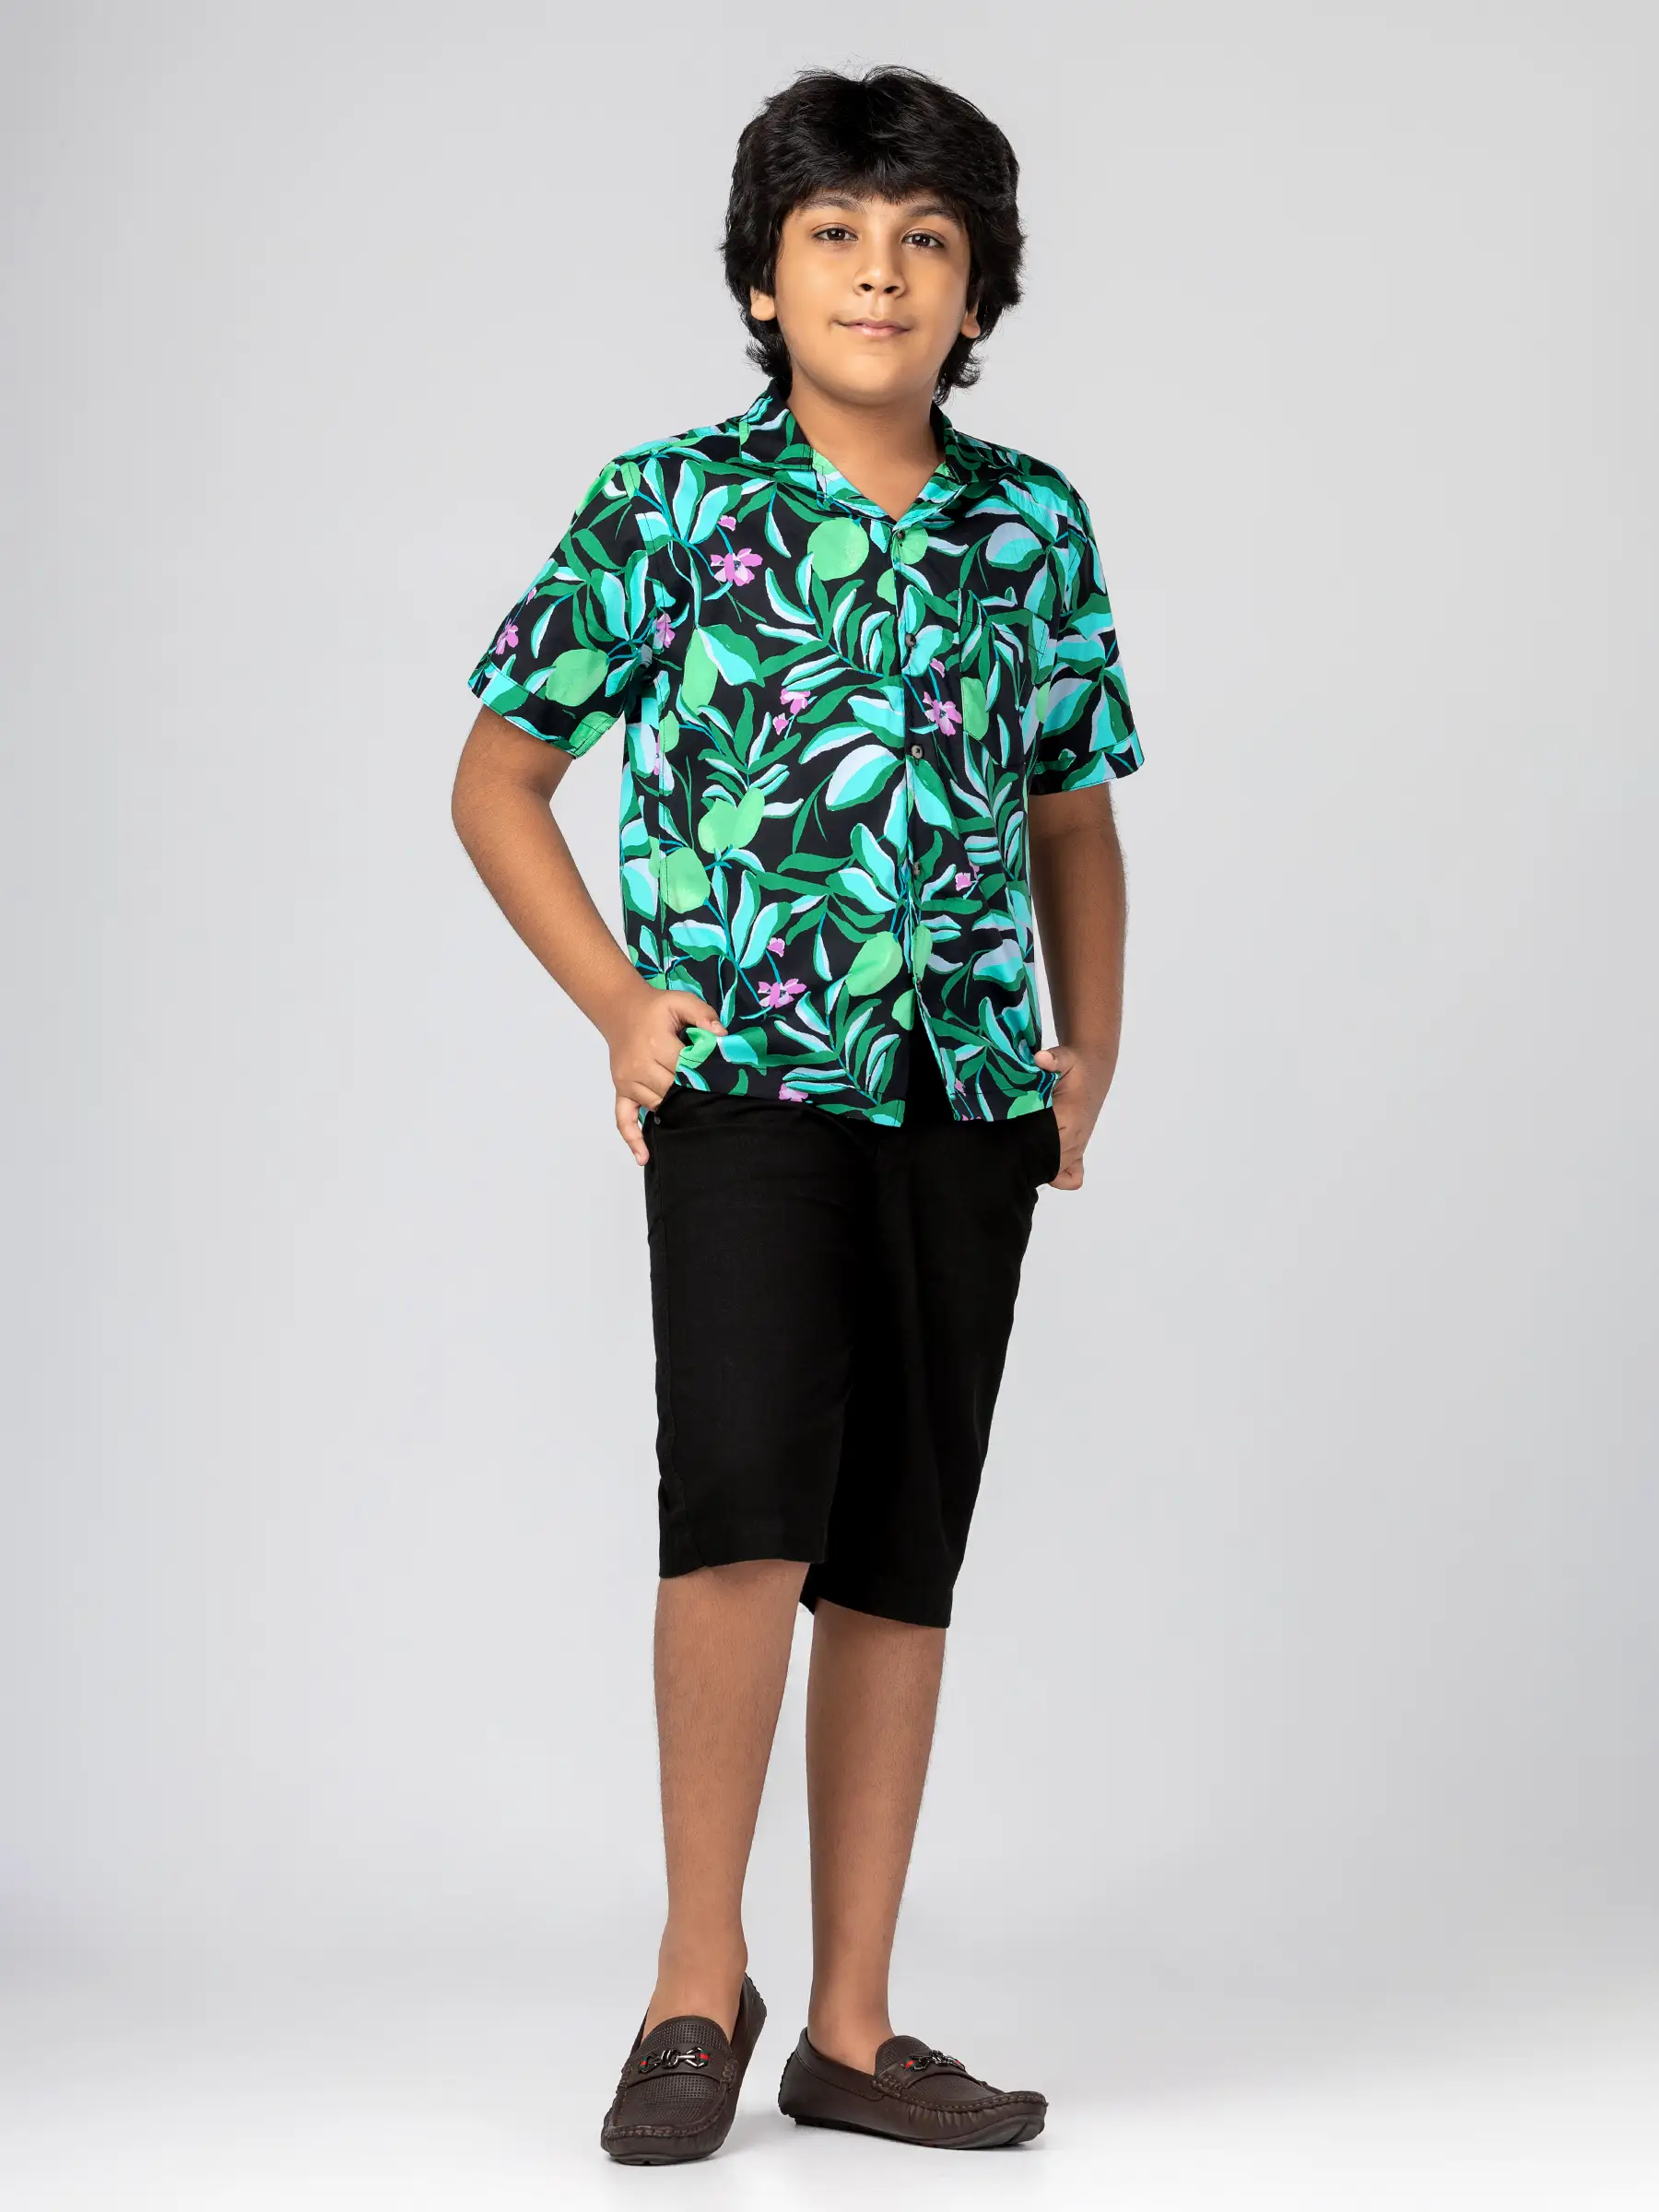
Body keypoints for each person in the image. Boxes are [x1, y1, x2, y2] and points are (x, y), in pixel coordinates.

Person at [450, 63, 1142, 2164]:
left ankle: (850, 2026)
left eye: (926, 242)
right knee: (742, 1510)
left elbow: (1072, 816)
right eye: (836, 235)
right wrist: (618, 1003)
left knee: (901, 1550)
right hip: (748, 1081)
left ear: (977, 292)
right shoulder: (669, 505)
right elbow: (499, 777)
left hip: (965, 1092)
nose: (880, 273)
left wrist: (1089, 1050)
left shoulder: (1032, 524)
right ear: (764, 278)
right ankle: (696, 1983)